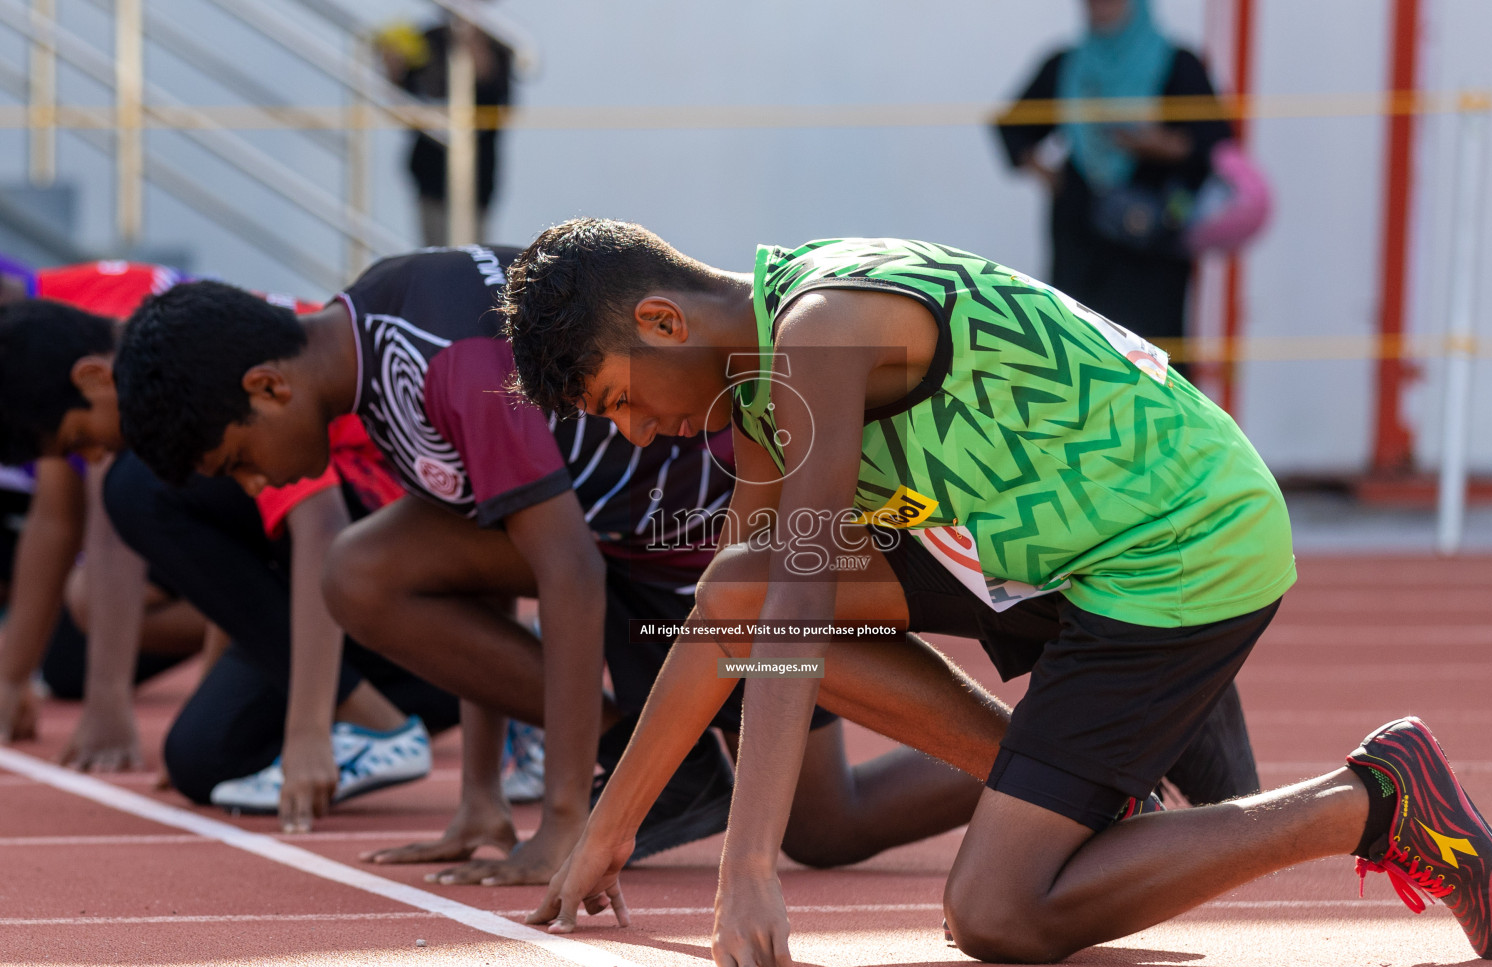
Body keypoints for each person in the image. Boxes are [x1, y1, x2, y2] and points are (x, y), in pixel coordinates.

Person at [501, 220, 1492, 967]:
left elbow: (803, 594)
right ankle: (1079, 795)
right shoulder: (761, 366)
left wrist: (750, 863)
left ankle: (1374, 798)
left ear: (662, 322)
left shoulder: (819, 329)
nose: (633, 433)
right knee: (738, 586)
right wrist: (609, 824)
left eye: (617, 401)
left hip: (1179, 547)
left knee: (998, 912)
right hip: (1053, 555)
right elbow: (736, 607)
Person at [111, 245, 997, 885]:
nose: (259, 481)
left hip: (704, 541)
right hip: (626, 548)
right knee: (363, 567)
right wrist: (481, 798)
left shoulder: (446, 357)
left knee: (826, 826)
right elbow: (490, 566)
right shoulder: (372, 341)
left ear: (268, 386)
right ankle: (652, 759)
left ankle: (1074, 762)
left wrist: (562, 818)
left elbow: (565, 571)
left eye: (239, 459)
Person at [0, 280, 454, 827]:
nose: (92, 455)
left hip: (405, 522)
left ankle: (380, 718)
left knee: (132, 488)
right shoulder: (157, 374)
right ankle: (471, 678)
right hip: (361, 551)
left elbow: (320, 520)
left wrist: (308, 729)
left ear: (94, 378)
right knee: (201, 759)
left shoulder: (201, 374)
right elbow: (236, 554)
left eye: (80, 441)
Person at [0, 260, 208, 762]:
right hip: (202, 497)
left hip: (276, 488)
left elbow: (113, 520)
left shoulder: (85, 332)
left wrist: (108, 703)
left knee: (93, 597)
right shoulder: (47, 321)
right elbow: (56, 517)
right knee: (69, 660)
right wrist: (9, 678)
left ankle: (277, 628)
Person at [997, 0, 1232, 378]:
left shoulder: (1177, 63)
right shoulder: (1069, 66)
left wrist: (1161, 144)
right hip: (1082, 241)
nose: (1099, 7)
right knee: (1075, 356)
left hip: (1153, 248)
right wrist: (1050, 176)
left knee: (1156, 366)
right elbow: (1011, 128)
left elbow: (1215, 144)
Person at [377, 12, 513, 246]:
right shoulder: (429, 39)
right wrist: (394, 70)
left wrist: (474, 46)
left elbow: (500, 104)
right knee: (436, 256)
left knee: (474, 259)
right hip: (430, 173)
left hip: (478, 177)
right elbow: (408, 102)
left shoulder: (499, 43)